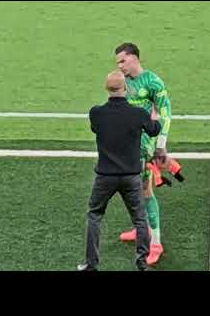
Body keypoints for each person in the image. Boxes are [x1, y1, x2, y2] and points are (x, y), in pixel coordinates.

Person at [77, 70, 161, 271]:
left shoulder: (96, 113)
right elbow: (154, 130)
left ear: (107, 89)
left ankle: (91, 264)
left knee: (94, 216)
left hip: (105, 176)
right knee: (140, 219)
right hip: (131, 176)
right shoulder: (138, 114)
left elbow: (96, 129)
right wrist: (154, 116)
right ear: (125, 88)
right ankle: (142, 264)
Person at [114, 43, 172, 265]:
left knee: (146, 193)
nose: (120, 66)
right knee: (131, 190)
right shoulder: (121, 82)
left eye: (122, 61)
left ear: (134, 58)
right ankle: (143, 228)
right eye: (118, 63)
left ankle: (155, 242)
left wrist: (160, 146)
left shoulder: (153, 82)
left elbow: (165, 114)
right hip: (125, 145)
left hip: (144, 146)